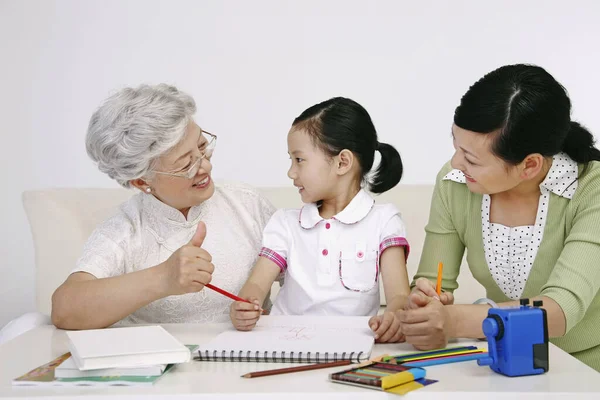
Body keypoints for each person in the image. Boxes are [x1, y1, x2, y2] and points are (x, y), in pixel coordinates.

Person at [402, 64, 600, 371]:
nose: (456, 162)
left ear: (530, 165)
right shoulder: (455, 182)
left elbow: (561, 309)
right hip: (501, 361)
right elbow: (431, 281)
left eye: (471, 158)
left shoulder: (591, 189)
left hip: (586, 368)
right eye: (456, 146)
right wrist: (424, 307)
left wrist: (455, 321)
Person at [51, 84, 275, 329]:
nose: (205, 167)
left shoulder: (247, 204)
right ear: (141, 180)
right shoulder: (125, 228)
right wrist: (163, 278)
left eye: (202, 147)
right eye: (185, 164)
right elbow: (65, 310)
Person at [229, 97, 411, 343]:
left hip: (350, 346)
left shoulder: (384, 220)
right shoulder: (285, 223)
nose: (291, 172)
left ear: (342, 162)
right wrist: (245, 304)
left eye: (299, 160)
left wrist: (394, 317)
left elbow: (399, 296)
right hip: (285, 344)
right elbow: (256, 285)